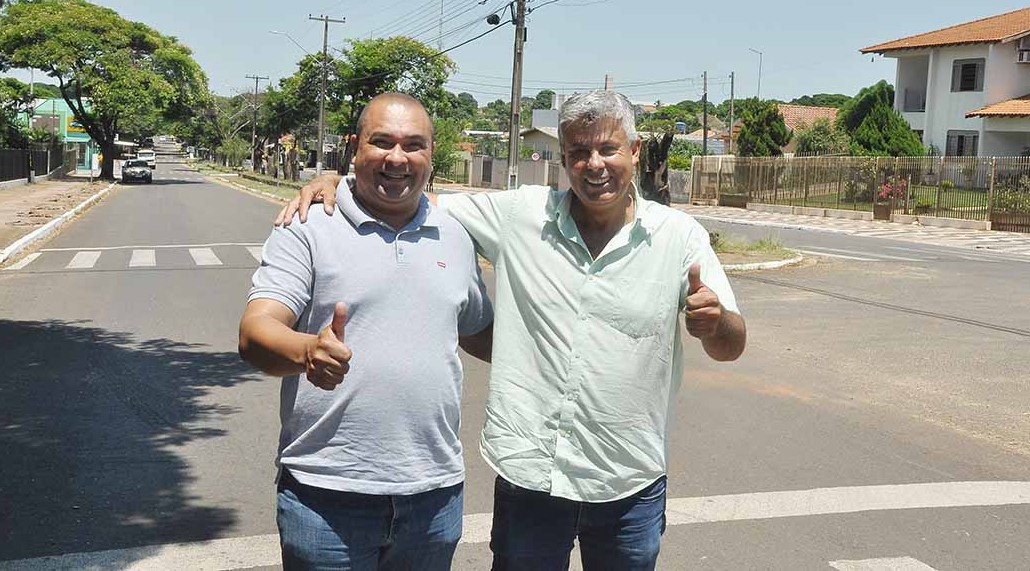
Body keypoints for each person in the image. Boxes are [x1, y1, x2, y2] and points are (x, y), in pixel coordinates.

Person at [278, 90, 746, 570]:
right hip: (532, 479)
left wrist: (715, 324)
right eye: (579, 152)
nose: (594, 165)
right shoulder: (521, 215)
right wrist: (338, 180)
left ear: (635, 150)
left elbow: (731, 345)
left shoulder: (679, 237)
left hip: (629, 483)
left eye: (608, 149)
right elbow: (409, 192)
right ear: (563, 157)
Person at [240, 92, 493, 570]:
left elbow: (476, 329)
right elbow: (256, 331)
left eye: (413, 145)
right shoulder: (308, 225)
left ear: (431, 154)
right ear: (353, 146)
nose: (398, 158)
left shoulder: (454, 233)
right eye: (382, 142)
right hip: (326, 496)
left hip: (434, 496)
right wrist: (307, 350)